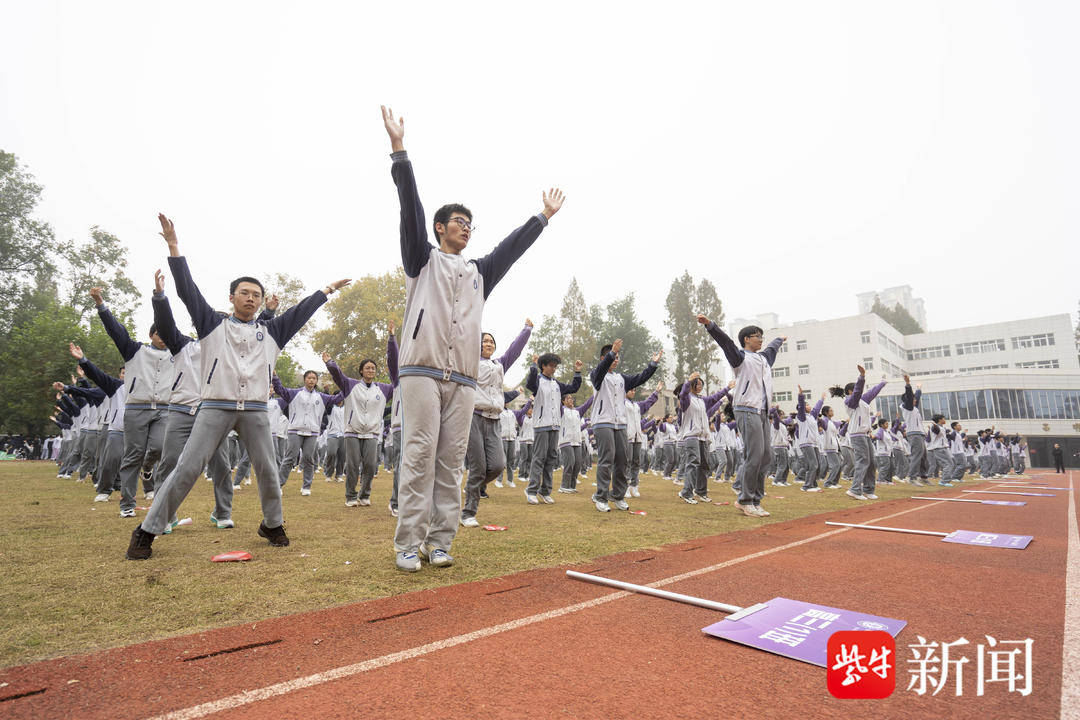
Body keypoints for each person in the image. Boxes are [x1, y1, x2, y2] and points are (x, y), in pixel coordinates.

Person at [381, 105, 564, 571]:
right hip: (421, 371)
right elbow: (410, 210)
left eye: (469, 223)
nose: (465, 227)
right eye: (457, 221)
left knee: (450, 461)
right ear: (441, 228)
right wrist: (400, 152)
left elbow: (511, 249)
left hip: (462, 380)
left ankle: (440, 542)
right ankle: (408, 543)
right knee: (418, 454)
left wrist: (542, 217)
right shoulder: (420, 260)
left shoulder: (480, 273)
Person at [125, 214, 349, 560]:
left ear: (261, 302)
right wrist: (173, 248)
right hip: (215, 406)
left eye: (256, 295)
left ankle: (272, 523)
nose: (251, 298)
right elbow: (187, 291)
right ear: (231, 297)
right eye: (244, 293)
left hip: (256, 409)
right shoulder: (212, 324)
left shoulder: (272, 332)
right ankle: (147, 530)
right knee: (187, 467)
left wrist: (326, 291)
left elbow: (300, 312)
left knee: (268, 469)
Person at [90, 285, 175, 517]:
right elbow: (116, 331)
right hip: (137, 408)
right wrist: (101, 305)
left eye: (167, 334)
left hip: (164, 409)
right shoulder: (134, 350)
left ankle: (147, 468)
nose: (163, 339)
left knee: (159, 448)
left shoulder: (177, 353)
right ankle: (127, 504)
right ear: (151, 335)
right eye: (159, 334)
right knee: (132, 456)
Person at [696, 315, 785, 517]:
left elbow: (772, 349)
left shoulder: (763, 359)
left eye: (762, 336)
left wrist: (780, 339)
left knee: (766, 456)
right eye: (757, 336)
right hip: (746, 409)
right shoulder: (740, 357)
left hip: (762, 410)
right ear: (746, 339)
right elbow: (725, 342)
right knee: (754, 455)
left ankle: (755, 499)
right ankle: (745, 499)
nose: (761, 339)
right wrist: (710, 326)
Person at [462, 321, 531, 524]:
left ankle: (472, 487)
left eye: (491, 341)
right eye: (484, 341)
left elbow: (514, 351)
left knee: (498, 465)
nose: (488, 344)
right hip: (474, 417)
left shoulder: (499, 365)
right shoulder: (470, 363)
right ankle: (468, 513)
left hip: (494, 420)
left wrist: (526, 331)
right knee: (478, 467)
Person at [588, 338, 661, 512]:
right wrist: (612, 351)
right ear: (602, 358)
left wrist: (652, 364)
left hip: (620, 423)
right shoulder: (596, 375)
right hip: (602, 422)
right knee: (606, 460)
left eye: (617, 357)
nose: (615, 360)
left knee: (622, 460)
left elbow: (640, 378)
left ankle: (618, 495)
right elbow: (600, 371)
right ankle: (601, 497)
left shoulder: (622, 378)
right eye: (611, 357)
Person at [324, 352, 393, 508]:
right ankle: (350, 496)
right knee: (353, 465)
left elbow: (398, 381)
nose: (370, 371)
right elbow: (338, 375)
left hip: (372, 432)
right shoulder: (350, 385)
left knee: (370, 465)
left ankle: (365, 495)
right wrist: (330, 363)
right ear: (361, 371)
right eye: (367, 368)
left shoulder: (384, 389)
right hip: (352, 431)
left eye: (373, 368)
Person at [524, 353, 582, 505]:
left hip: (555, 426)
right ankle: (531, 490)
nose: (554, 369)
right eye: (551, 366)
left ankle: (545, 491)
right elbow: (530, 384)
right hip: (542, 425)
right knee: (539, 458)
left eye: (555, 366)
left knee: (551, 459)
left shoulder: (557, 384)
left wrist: (577, 372)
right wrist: (533, 367)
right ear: (543, 366)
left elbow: (574, 387)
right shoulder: (537, 380)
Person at [840, 365, 887, 500]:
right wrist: (862, 377)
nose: (859, 391)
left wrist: (882, 383)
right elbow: (857, 392)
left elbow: (872, 392)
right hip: (857, 434)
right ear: (850, 391)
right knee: (863, 461)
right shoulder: (850, 401)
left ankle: (868, 489)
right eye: (855, 389)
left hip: (865, 434)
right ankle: (855, 489)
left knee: (872, 462)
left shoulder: (863, 400)